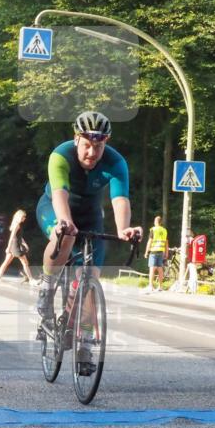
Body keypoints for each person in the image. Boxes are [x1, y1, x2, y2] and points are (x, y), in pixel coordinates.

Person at [35, 111, 141, 325]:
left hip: (91, 216)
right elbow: (59, 194)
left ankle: (83, 344)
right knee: (65, 236)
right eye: (87, 145)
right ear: (76, 139)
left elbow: (120, 199)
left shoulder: (116, 162)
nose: (92, 152)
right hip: (55, 208)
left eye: (99, 147)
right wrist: (64, 221)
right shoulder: (61, 155)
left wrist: (123, 229)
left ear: (106, 143)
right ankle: (47, 286)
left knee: (90, 279)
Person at [0, 209, 35, 284]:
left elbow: (19, 236)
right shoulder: (17, 225)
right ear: (19, 217)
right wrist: (8, 247)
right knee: (25, 263)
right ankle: (31, 279)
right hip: (15, 247)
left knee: (6, 263)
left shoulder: (16, 224)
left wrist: (25, 243)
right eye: (23, 217)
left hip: (13, 246)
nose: (24, 218)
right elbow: (12, 237)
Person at [143, 215, 169, 293]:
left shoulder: (153, 230)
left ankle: (151, 286)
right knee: (160, 269)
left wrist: (146, 252)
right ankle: (160, 286)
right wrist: (166, 253)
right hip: (161, 252)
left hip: (153, 251)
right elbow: (166, 243)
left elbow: (150, 241)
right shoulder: (164, 230)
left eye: (154, 221)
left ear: (156, 222)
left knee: (152, 269)